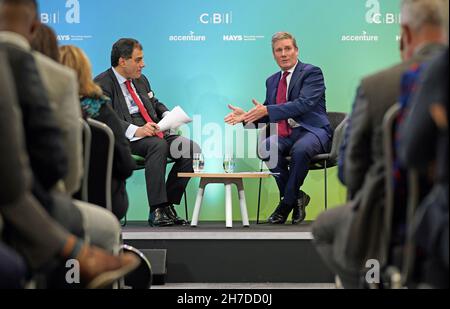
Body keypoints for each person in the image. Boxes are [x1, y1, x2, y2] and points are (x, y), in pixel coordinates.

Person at [312, 0, 447, 288]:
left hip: (390, 221)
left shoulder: (376, 87)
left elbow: (350, 172)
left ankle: (365, 282)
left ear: (406, 34)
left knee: (324, 228)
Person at [0, 47, 139, 289]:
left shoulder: (37, 111)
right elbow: (126, 165)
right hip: (102, 201)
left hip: (51, 198)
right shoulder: (101, 108)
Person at [225, 32, 331, 224]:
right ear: (274, 55)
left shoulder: (312, 72)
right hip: (286, 133)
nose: (284, 54)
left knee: (301, 149)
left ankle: (285, 204)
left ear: (296, 51)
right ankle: (297, 197)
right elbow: (269, 115)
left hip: (311, 131)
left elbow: (303, 104)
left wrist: (267, 109)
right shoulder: (272, 81)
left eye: (288, 49)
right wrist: (246, 117)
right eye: (278, 50)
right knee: (267, 147)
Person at [95, 38, 201, 227]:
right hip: (127, 138)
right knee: (157, 146)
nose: (143, 64)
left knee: (189, 149)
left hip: (154, 130)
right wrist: (138, 130)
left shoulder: (141, 79)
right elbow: (105, 118)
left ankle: (167, 204)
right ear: (122, 61)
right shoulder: (102, 84)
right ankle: (156, 208)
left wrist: (168, 115)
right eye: (138, 60)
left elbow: (154, 102)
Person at [60, 44, 136, 220]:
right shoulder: (103, 111)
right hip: (104, 204)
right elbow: (125, 165)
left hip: (57, 204)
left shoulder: (45, 112)